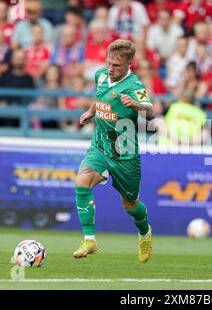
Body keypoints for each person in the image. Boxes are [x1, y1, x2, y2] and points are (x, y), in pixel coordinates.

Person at [73, 39, 154, 263]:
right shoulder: (100, 75)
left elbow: (151, 112)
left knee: (130, 204)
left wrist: (136, 105)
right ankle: (89, 239)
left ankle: (144, 232)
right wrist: (91, 112)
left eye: (116, 65)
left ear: (129, 64)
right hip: (100, 146)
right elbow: (100, 97)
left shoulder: (134, 86)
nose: (110, 68)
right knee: (82, 182)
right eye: (109, 63)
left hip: (125, 153)